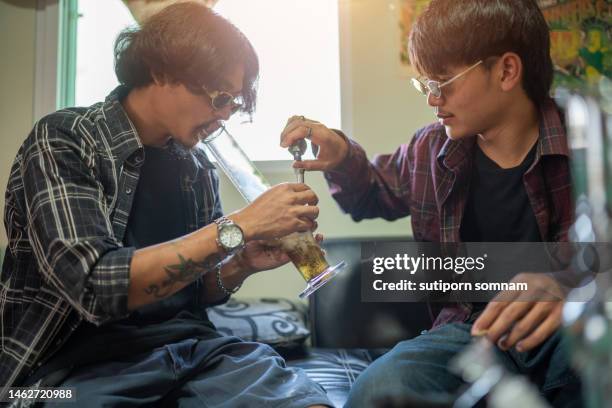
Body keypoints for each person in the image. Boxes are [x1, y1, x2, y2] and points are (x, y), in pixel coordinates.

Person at [0, 3, 332, 407]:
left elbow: (195, 294)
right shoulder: (65, 140)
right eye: (220, 97)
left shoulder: (196, 166)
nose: (225, 115)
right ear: (162, 70)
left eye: (233, 104)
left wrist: (241, 262)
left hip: (195, 352)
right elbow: (94, 289)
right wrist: (238, 226)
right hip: (74, 367)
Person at [280, 0, 580, 406]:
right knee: (379, 387)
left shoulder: (590, 144)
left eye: (442, 83)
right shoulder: (431, 148)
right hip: (472, 334)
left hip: (572, 327)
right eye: (425, 85)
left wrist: (568, 287)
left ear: (507, 70)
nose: (432, 100)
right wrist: (341, 155)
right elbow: (370, 193)